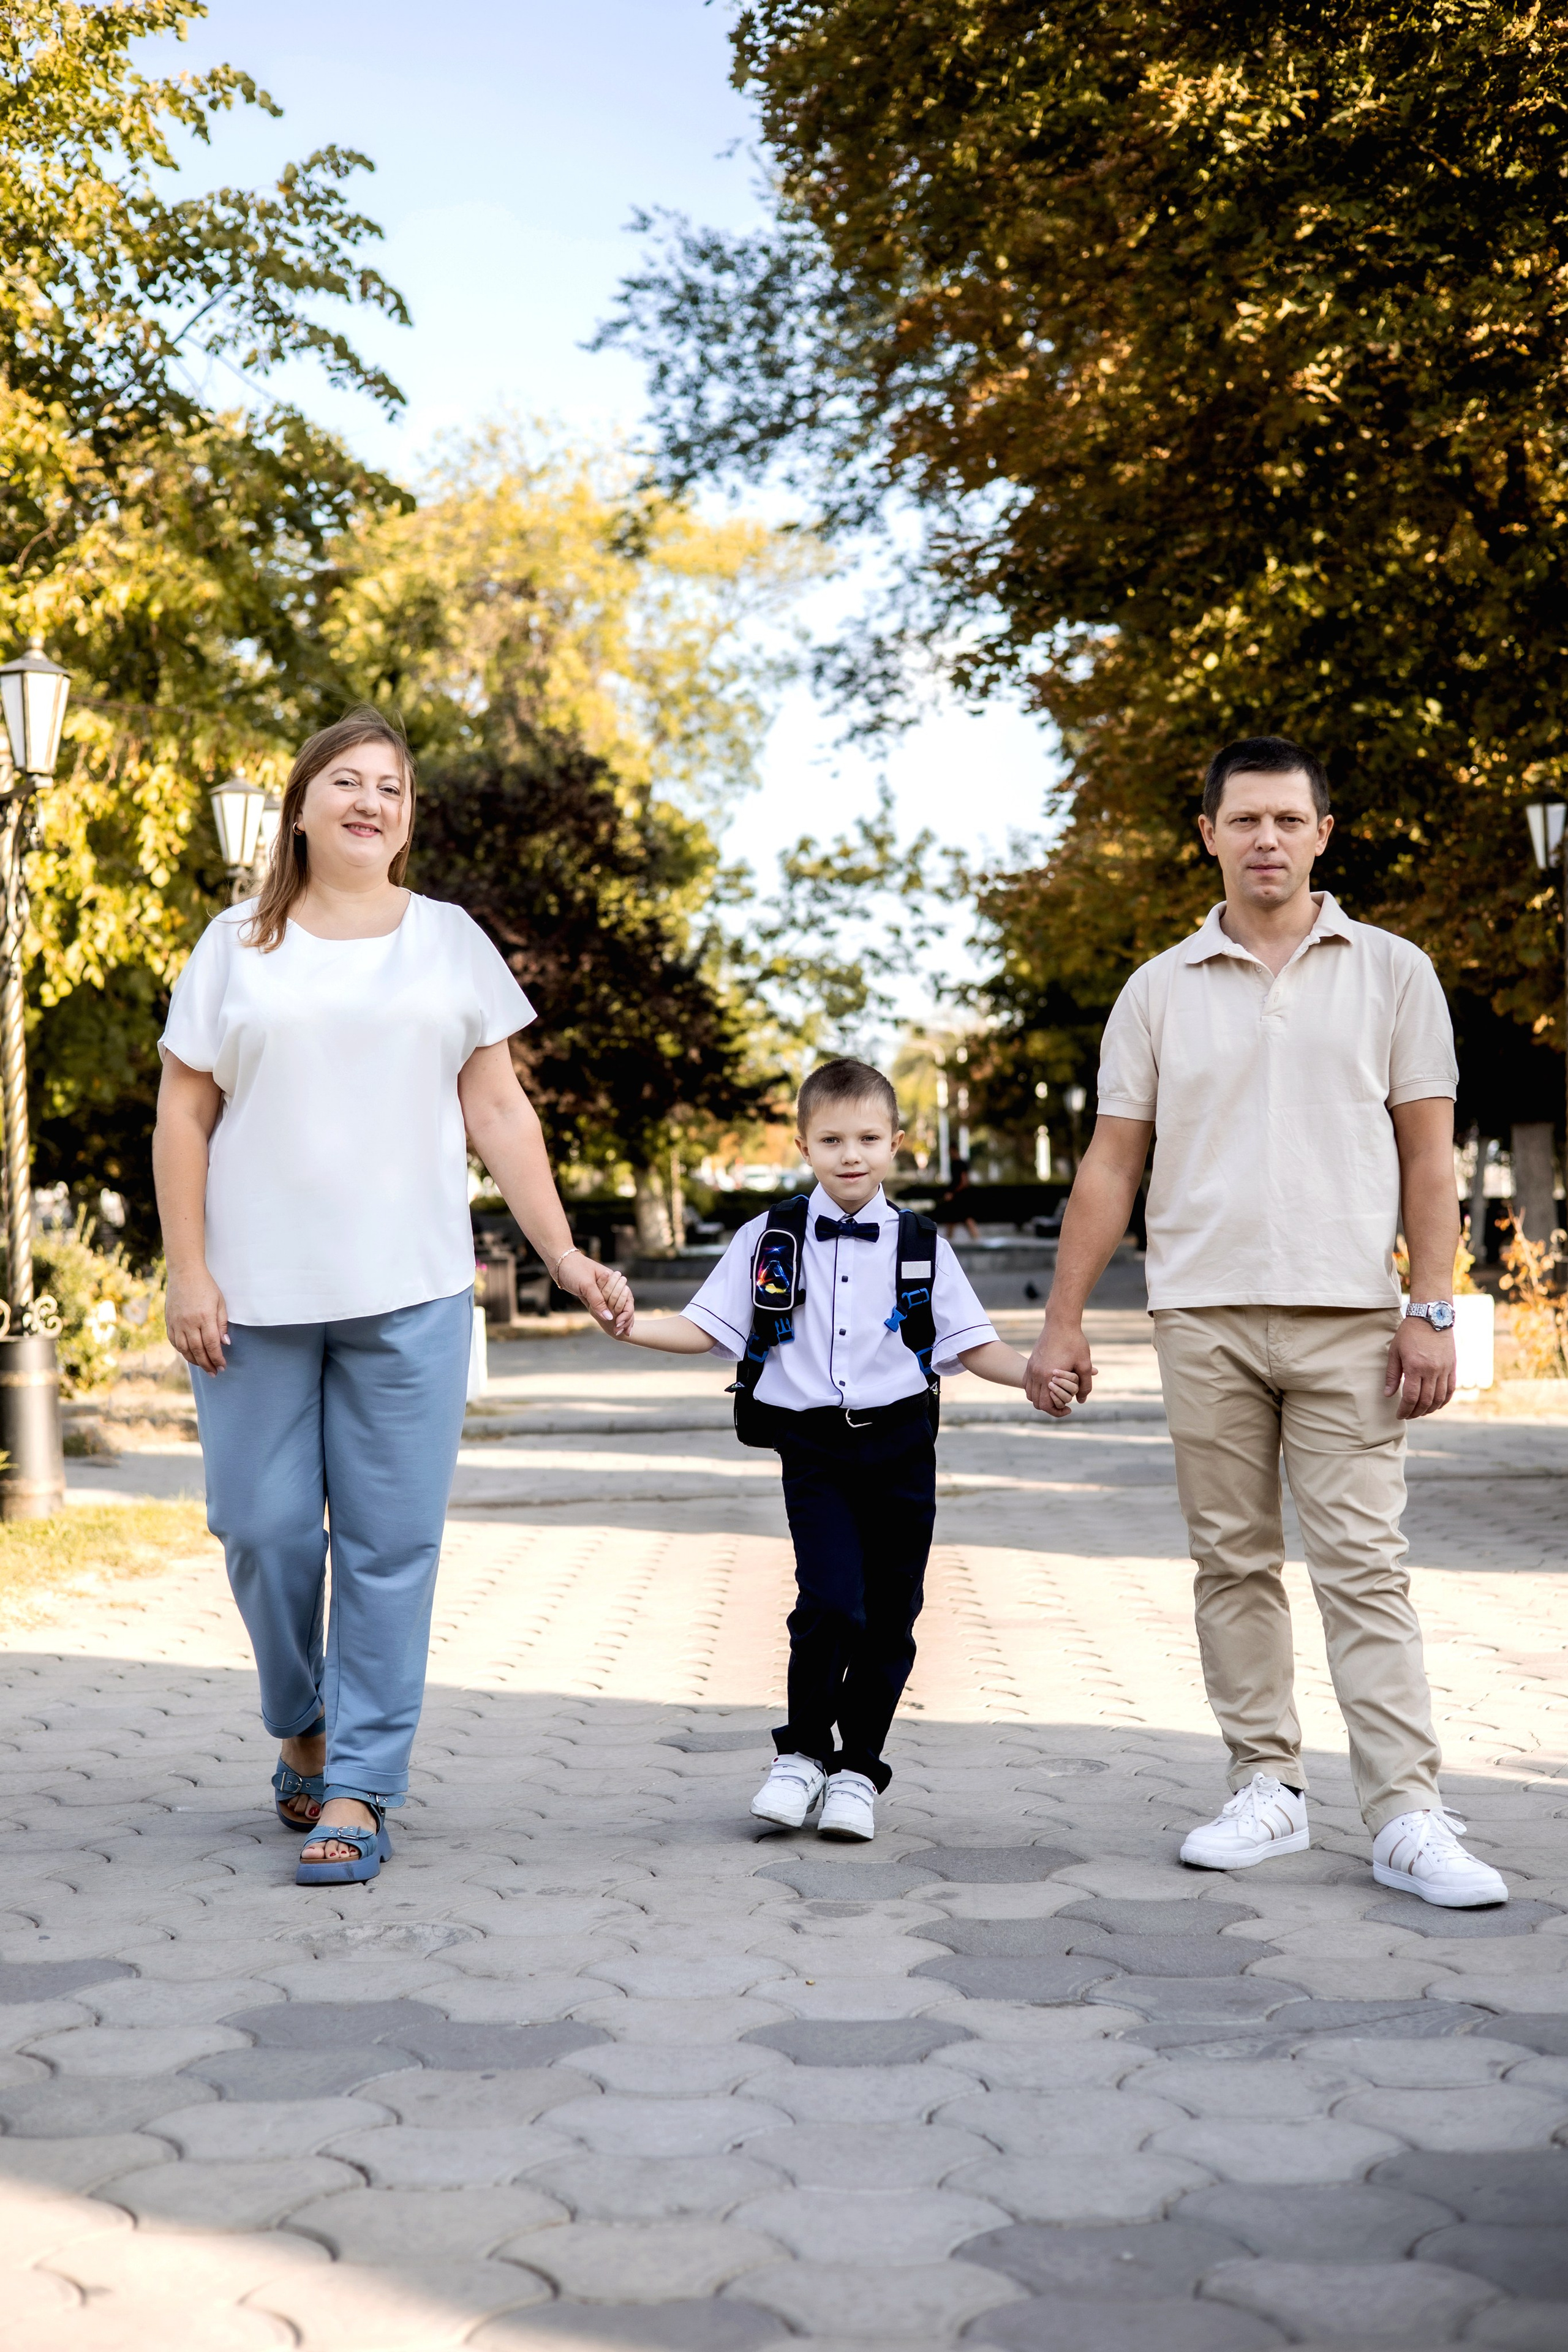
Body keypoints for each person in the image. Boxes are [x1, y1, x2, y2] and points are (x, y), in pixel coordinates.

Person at [1025, 735, 1507, 1909]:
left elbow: (1429, 1154)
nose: (1268, 840)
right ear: (1210, 835)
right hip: (1203, 1316)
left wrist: (1431, 1308)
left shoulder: (1394, 971)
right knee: (1231, 1562)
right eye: (1245, 821)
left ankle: (1406, 1815)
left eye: (1289, 820)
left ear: (1323, 834)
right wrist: (1063, 1321)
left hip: (1353, 1318)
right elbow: (1110, 1164)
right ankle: (1267, 1790)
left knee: (1365, 1570)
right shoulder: (1157, 989)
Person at [154, 709, 632, 1887]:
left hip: (411, 1294)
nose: (372, 801)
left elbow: (500, 1112)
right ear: (302, 808)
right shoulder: (233, 946)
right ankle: (300, 1719)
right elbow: (183, 1114)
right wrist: (186, 1267)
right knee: (261, 1534)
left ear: (406, 820)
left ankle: (360, 1785)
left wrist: (564, 1255)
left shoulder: (450, 941)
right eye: (348, 782)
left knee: (387, 1549)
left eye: (394, 788)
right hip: (253, 1299)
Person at [605, 1058, 1059, 1841]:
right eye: (832, 1139)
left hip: (903, 1444)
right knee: (829, 1603)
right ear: (803, 1146)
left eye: (868, 1138)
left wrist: (1034, 1378)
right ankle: (803, 1754)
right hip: (812, 1446)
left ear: (896, 1144)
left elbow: (972, 1344)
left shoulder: (920, 1244)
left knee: (891, 1615)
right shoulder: (769, 1235)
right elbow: (710, 1327)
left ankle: (858, 1771)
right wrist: (630, 1326)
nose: (851, 1155)